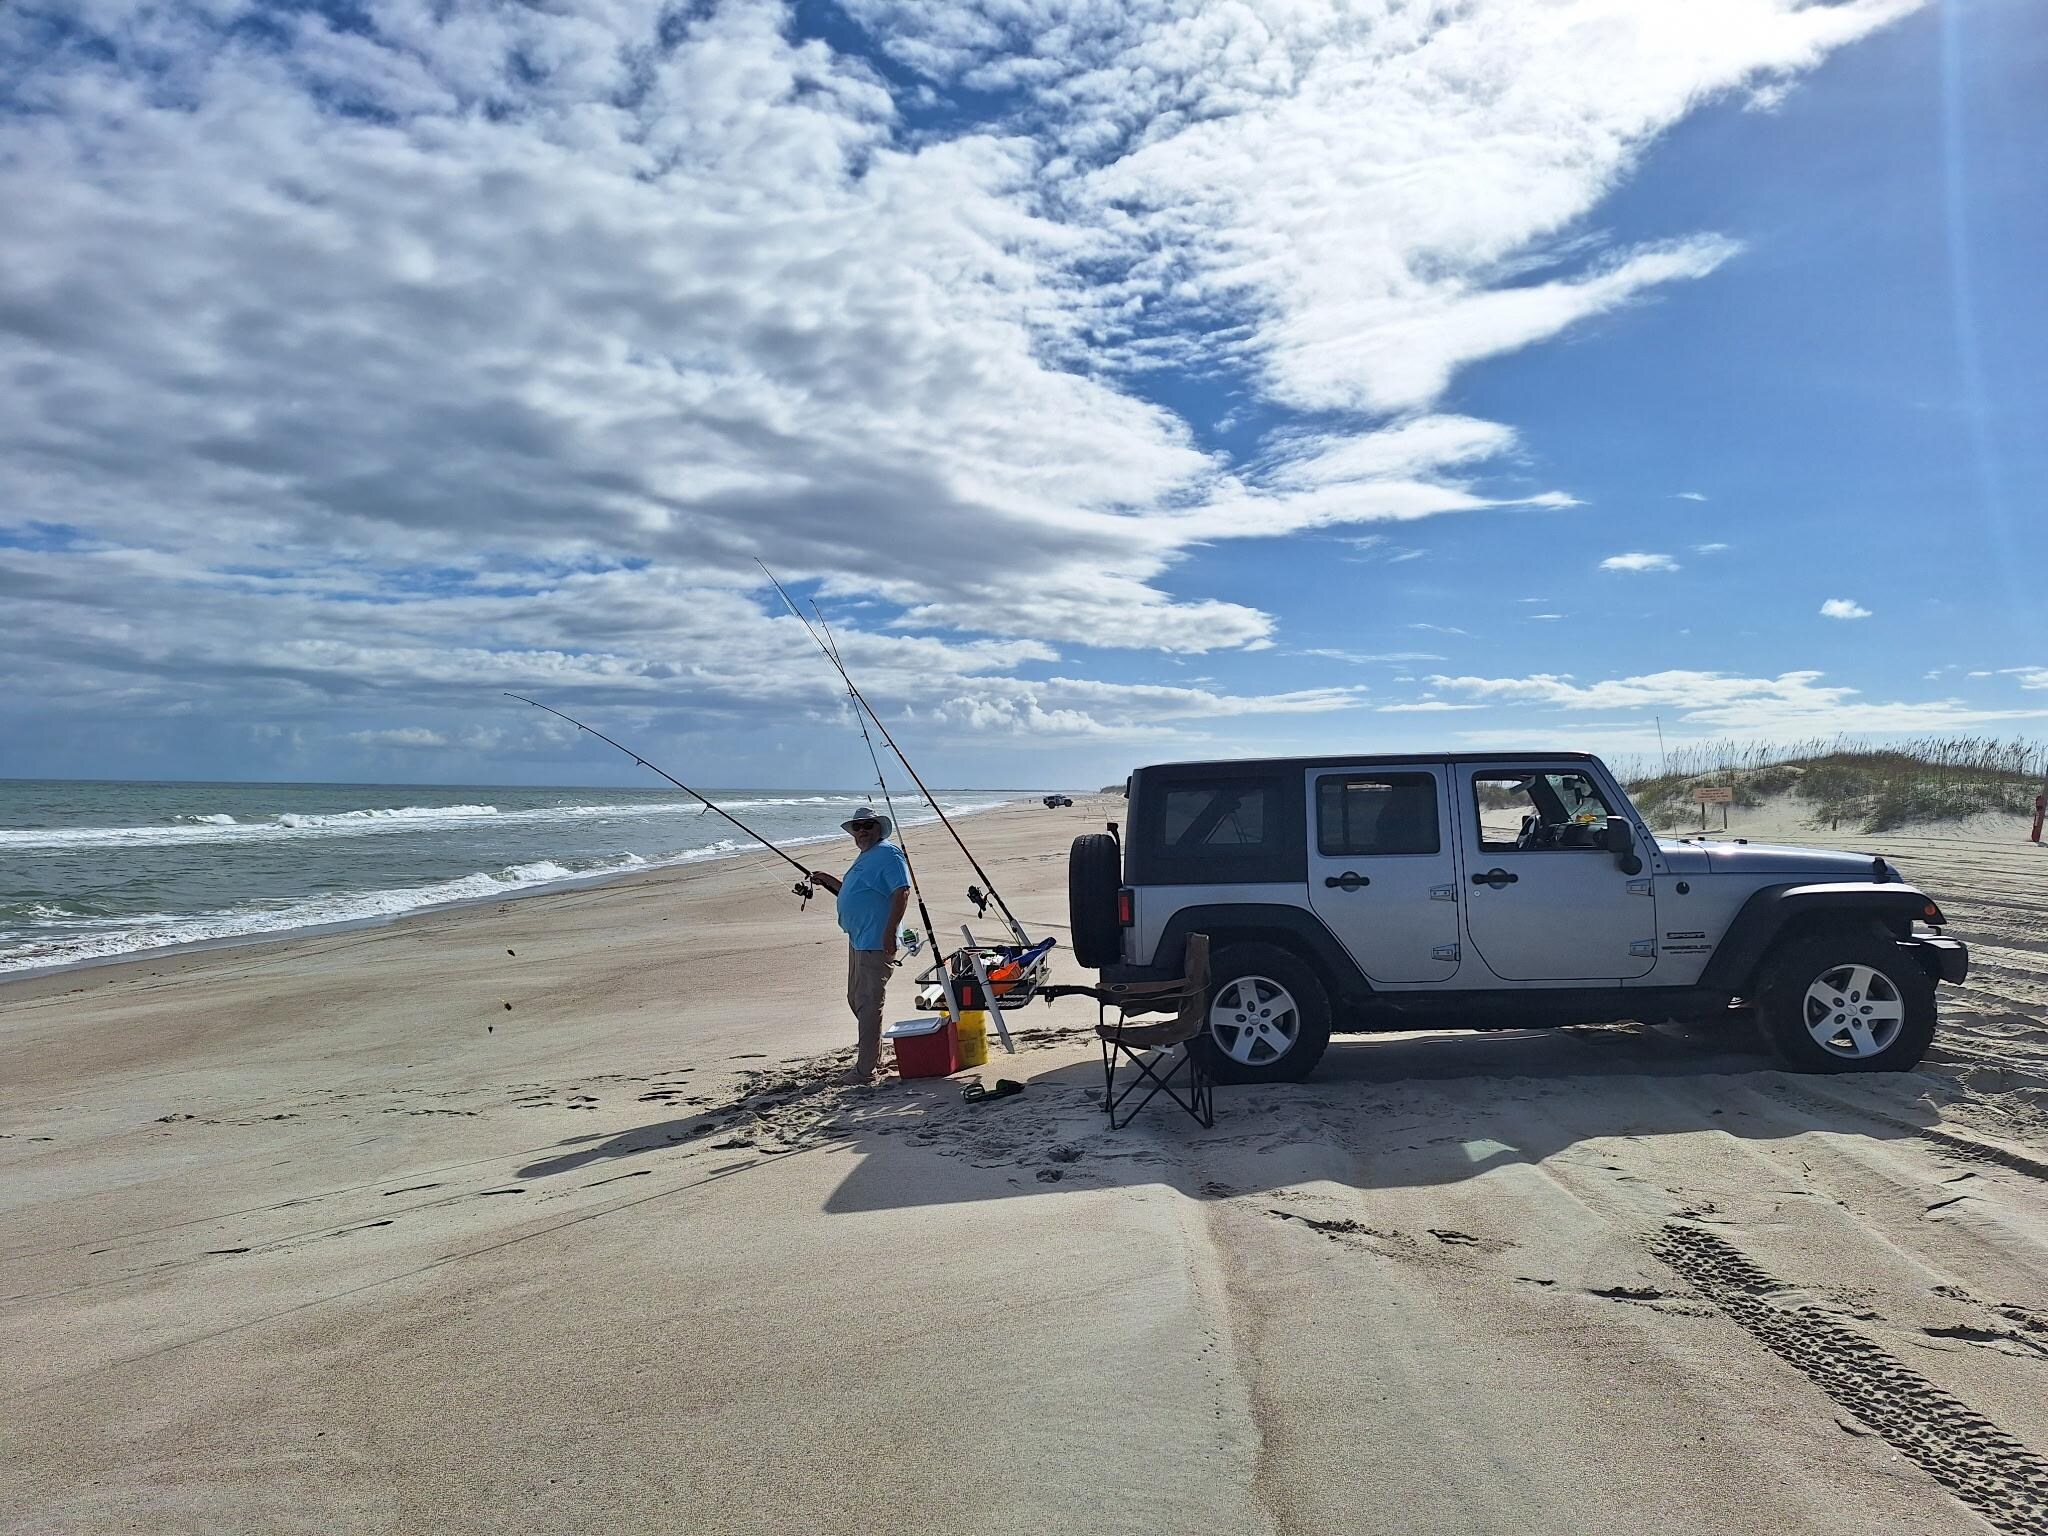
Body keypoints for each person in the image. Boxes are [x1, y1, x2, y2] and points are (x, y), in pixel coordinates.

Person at [808, 807, 911, 1083]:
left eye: (868, 825)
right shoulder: (867, 856)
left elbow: (901, 891)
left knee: (868, 1002)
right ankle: (873, 1056)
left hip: (876, 940)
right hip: (859, 939)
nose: (862, 831)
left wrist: (889, 933)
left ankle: (865, 1070)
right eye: (857, 827)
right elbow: (855, 891)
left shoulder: (889, 854)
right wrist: (826, 880)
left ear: (879, 828)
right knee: (856, 998)